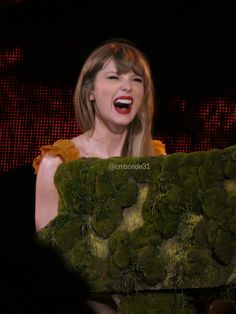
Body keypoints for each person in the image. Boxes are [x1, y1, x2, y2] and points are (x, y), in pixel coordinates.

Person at [33, 38, 166, 313]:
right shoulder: (58, 163)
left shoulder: (155, 160)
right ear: (90, 91)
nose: (127, 86)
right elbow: (51, 269)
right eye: (114, 76)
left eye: (136, 79)